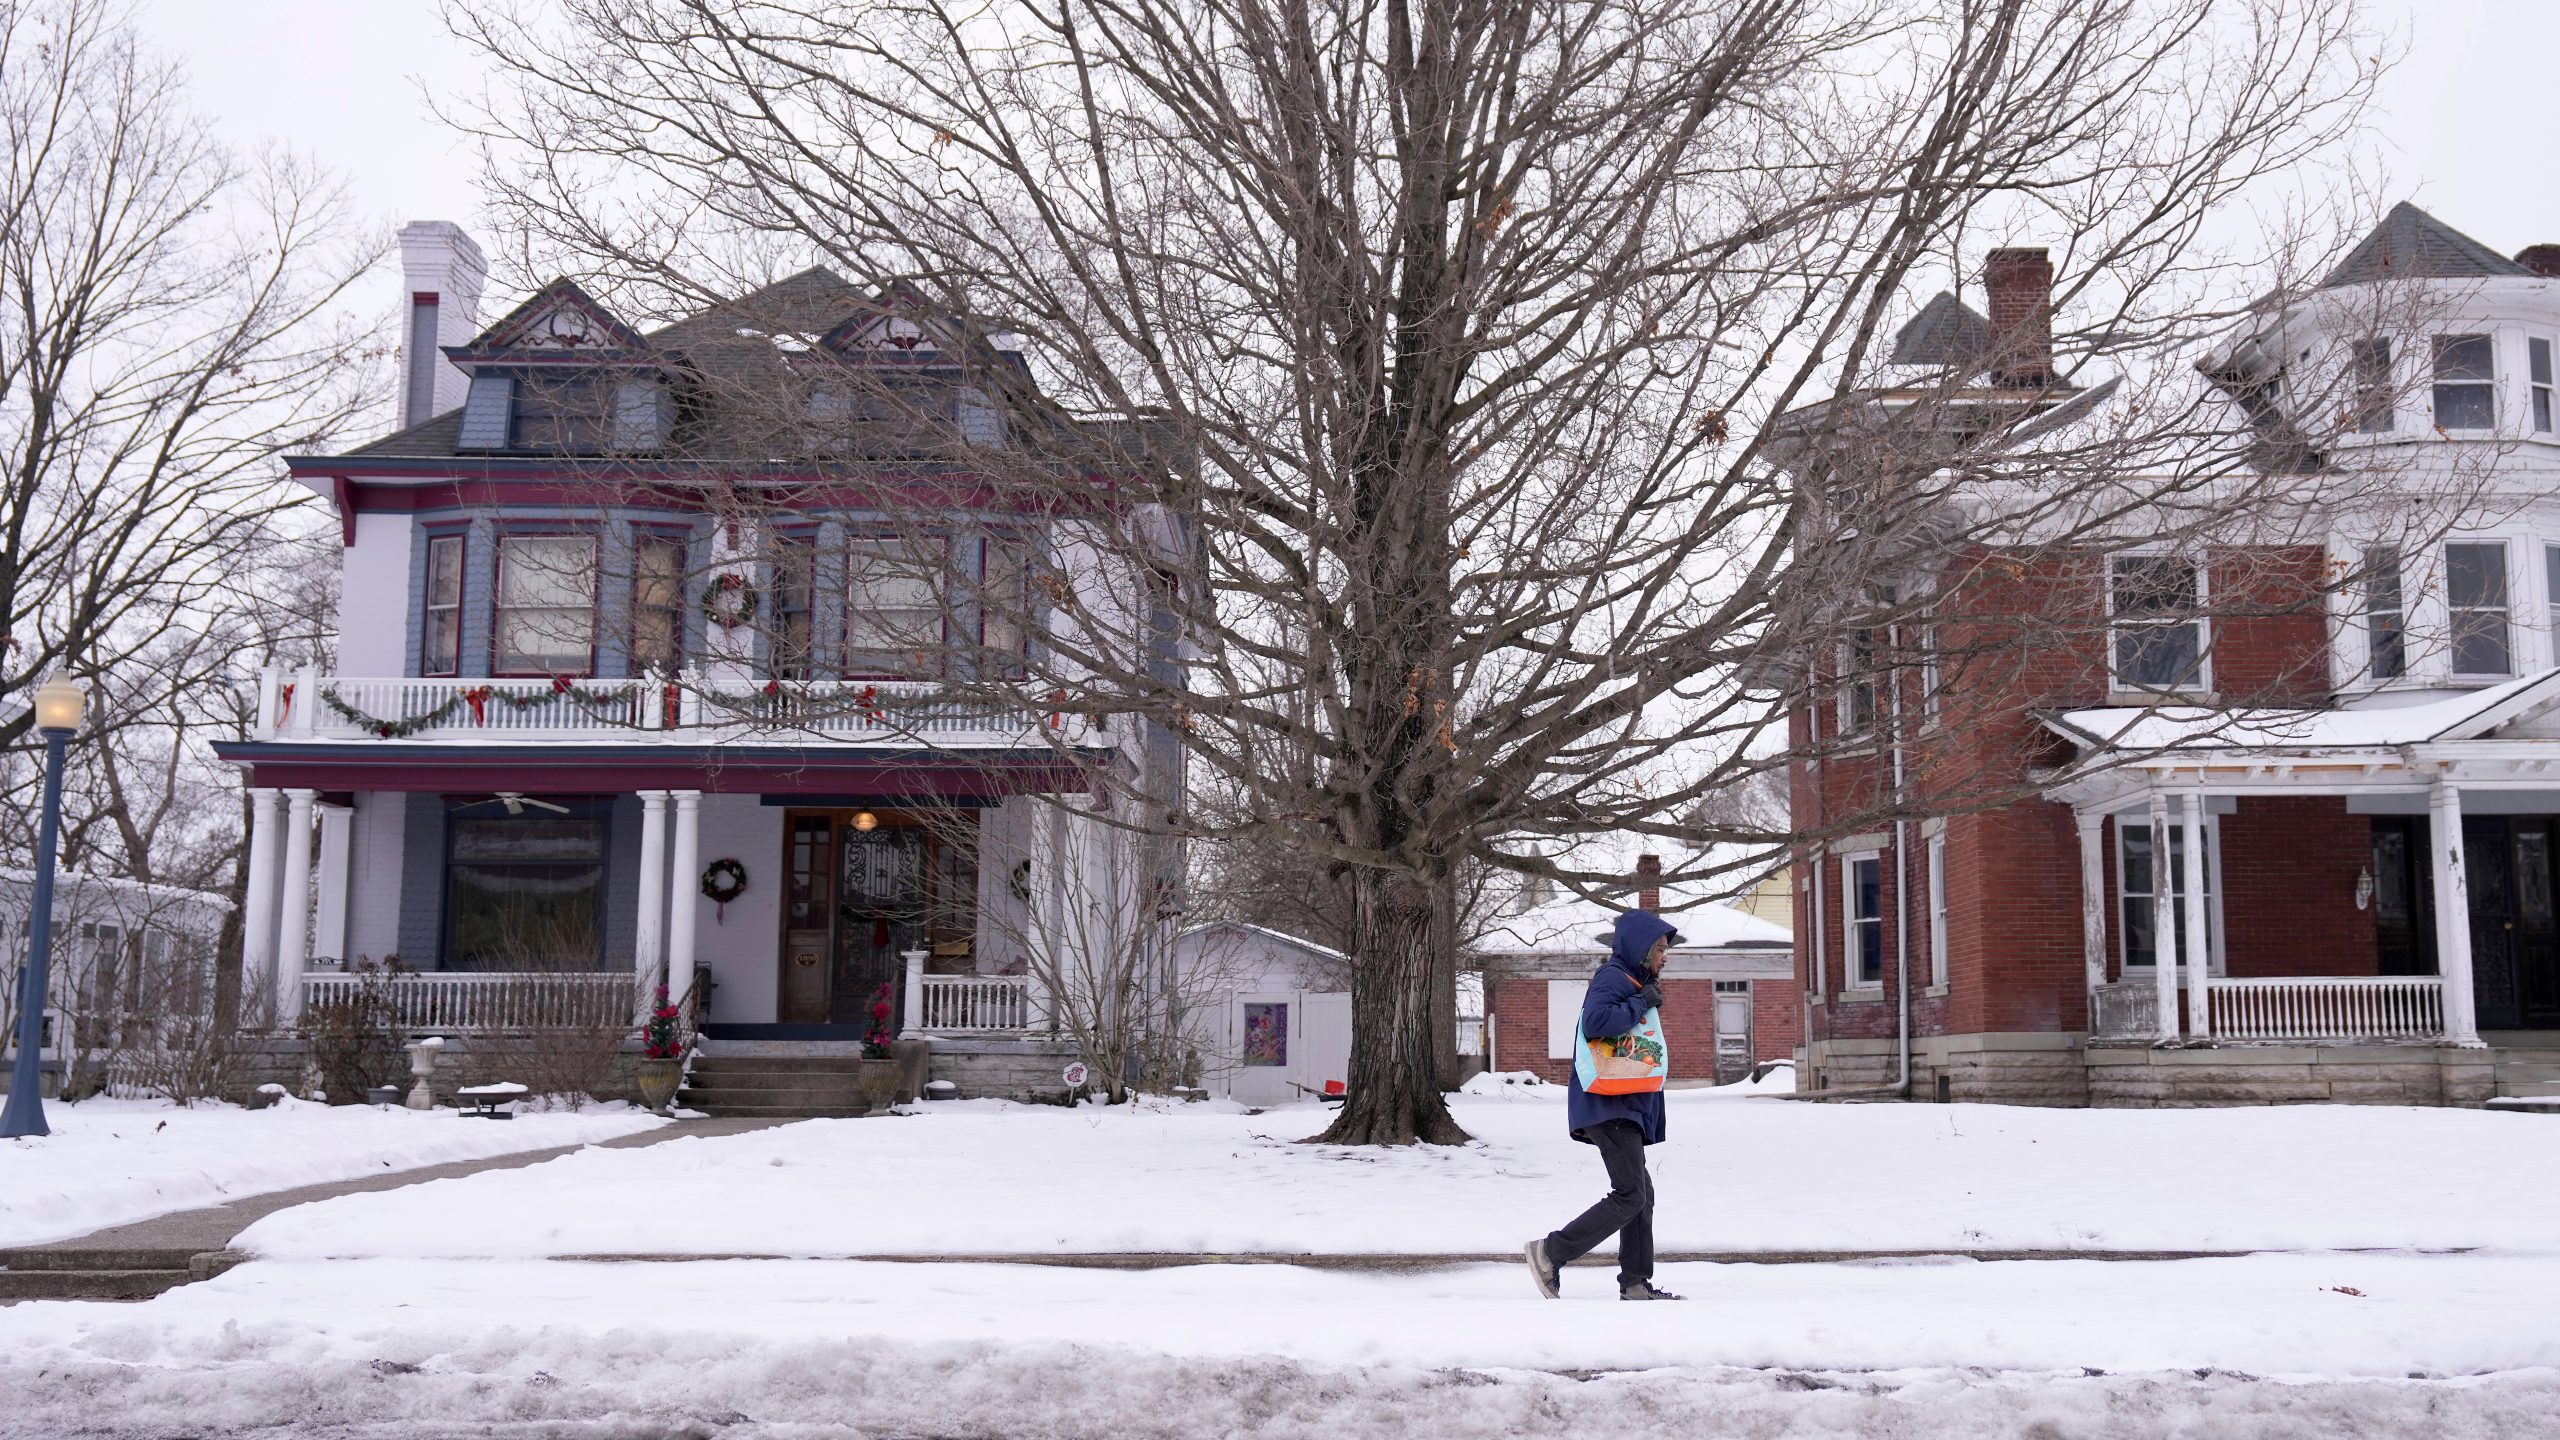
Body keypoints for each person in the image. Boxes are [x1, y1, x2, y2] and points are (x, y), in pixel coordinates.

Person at [1524, 909, 1684, 1301]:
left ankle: (1634, 1282)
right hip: (1607, 1105)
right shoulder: (1613, 977)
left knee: (1640, 1192)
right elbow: (1596, 1022)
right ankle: (1550, 1252)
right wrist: (1639, 1002)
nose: (1666, 956)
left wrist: (1641, 998)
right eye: (1661, 948)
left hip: (1621, 1105)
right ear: (1642, 948)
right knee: (1630, 1193)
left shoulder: (1632, 980)